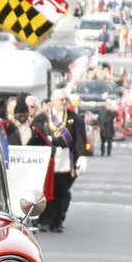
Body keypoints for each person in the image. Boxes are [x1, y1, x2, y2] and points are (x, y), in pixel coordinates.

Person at [30, 89, 86, 232]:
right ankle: (44, 220)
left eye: (65, 99)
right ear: (53, 101)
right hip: (48, 160)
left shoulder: (74, 118)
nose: (64, 102)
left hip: (65, 160)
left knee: (61, 191)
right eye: (61, 100)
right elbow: (34, 139)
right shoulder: (42, 118)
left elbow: (80, 138)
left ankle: (57, 221)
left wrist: (82, 156)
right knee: (46, 191)